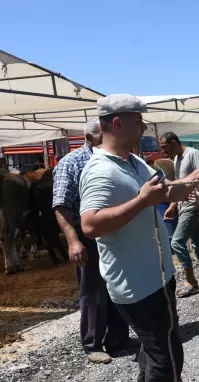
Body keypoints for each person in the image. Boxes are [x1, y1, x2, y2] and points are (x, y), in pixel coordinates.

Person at [79, 94, 199, 382]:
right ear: (117, 122)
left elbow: (165, 191)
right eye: (139, 119)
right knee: (165, 354)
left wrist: (197, 177)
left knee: (159, 341)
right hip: (135, 282)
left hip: (157, 276)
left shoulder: (134, 162)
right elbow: (89, 225)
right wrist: (142, 202)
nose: (144, 124)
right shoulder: (100, 170)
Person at [52, 117, 131, 364]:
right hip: (87, 234)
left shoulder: (113, 158)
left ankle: (118, 338)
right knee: (93, 289)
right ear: (88, 138)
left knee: (117, 284)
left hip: (112, 230)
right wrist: (73, 241)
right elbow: (61, 206)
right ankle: (92, 343)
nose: (107, 139)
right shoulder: (71, 164)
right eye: (101, 136)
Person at [159, 132, 199, 297]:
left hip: (193, 204)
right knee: (198, 240)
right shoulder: (177, 159)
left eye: (165, 147)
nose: (164, 152)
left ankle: (190, 280)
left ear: (174, 142)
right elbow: (181, 185)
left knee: (176, 242)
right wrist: (172, 206)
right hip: (182, 205)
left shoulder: (193, 154)